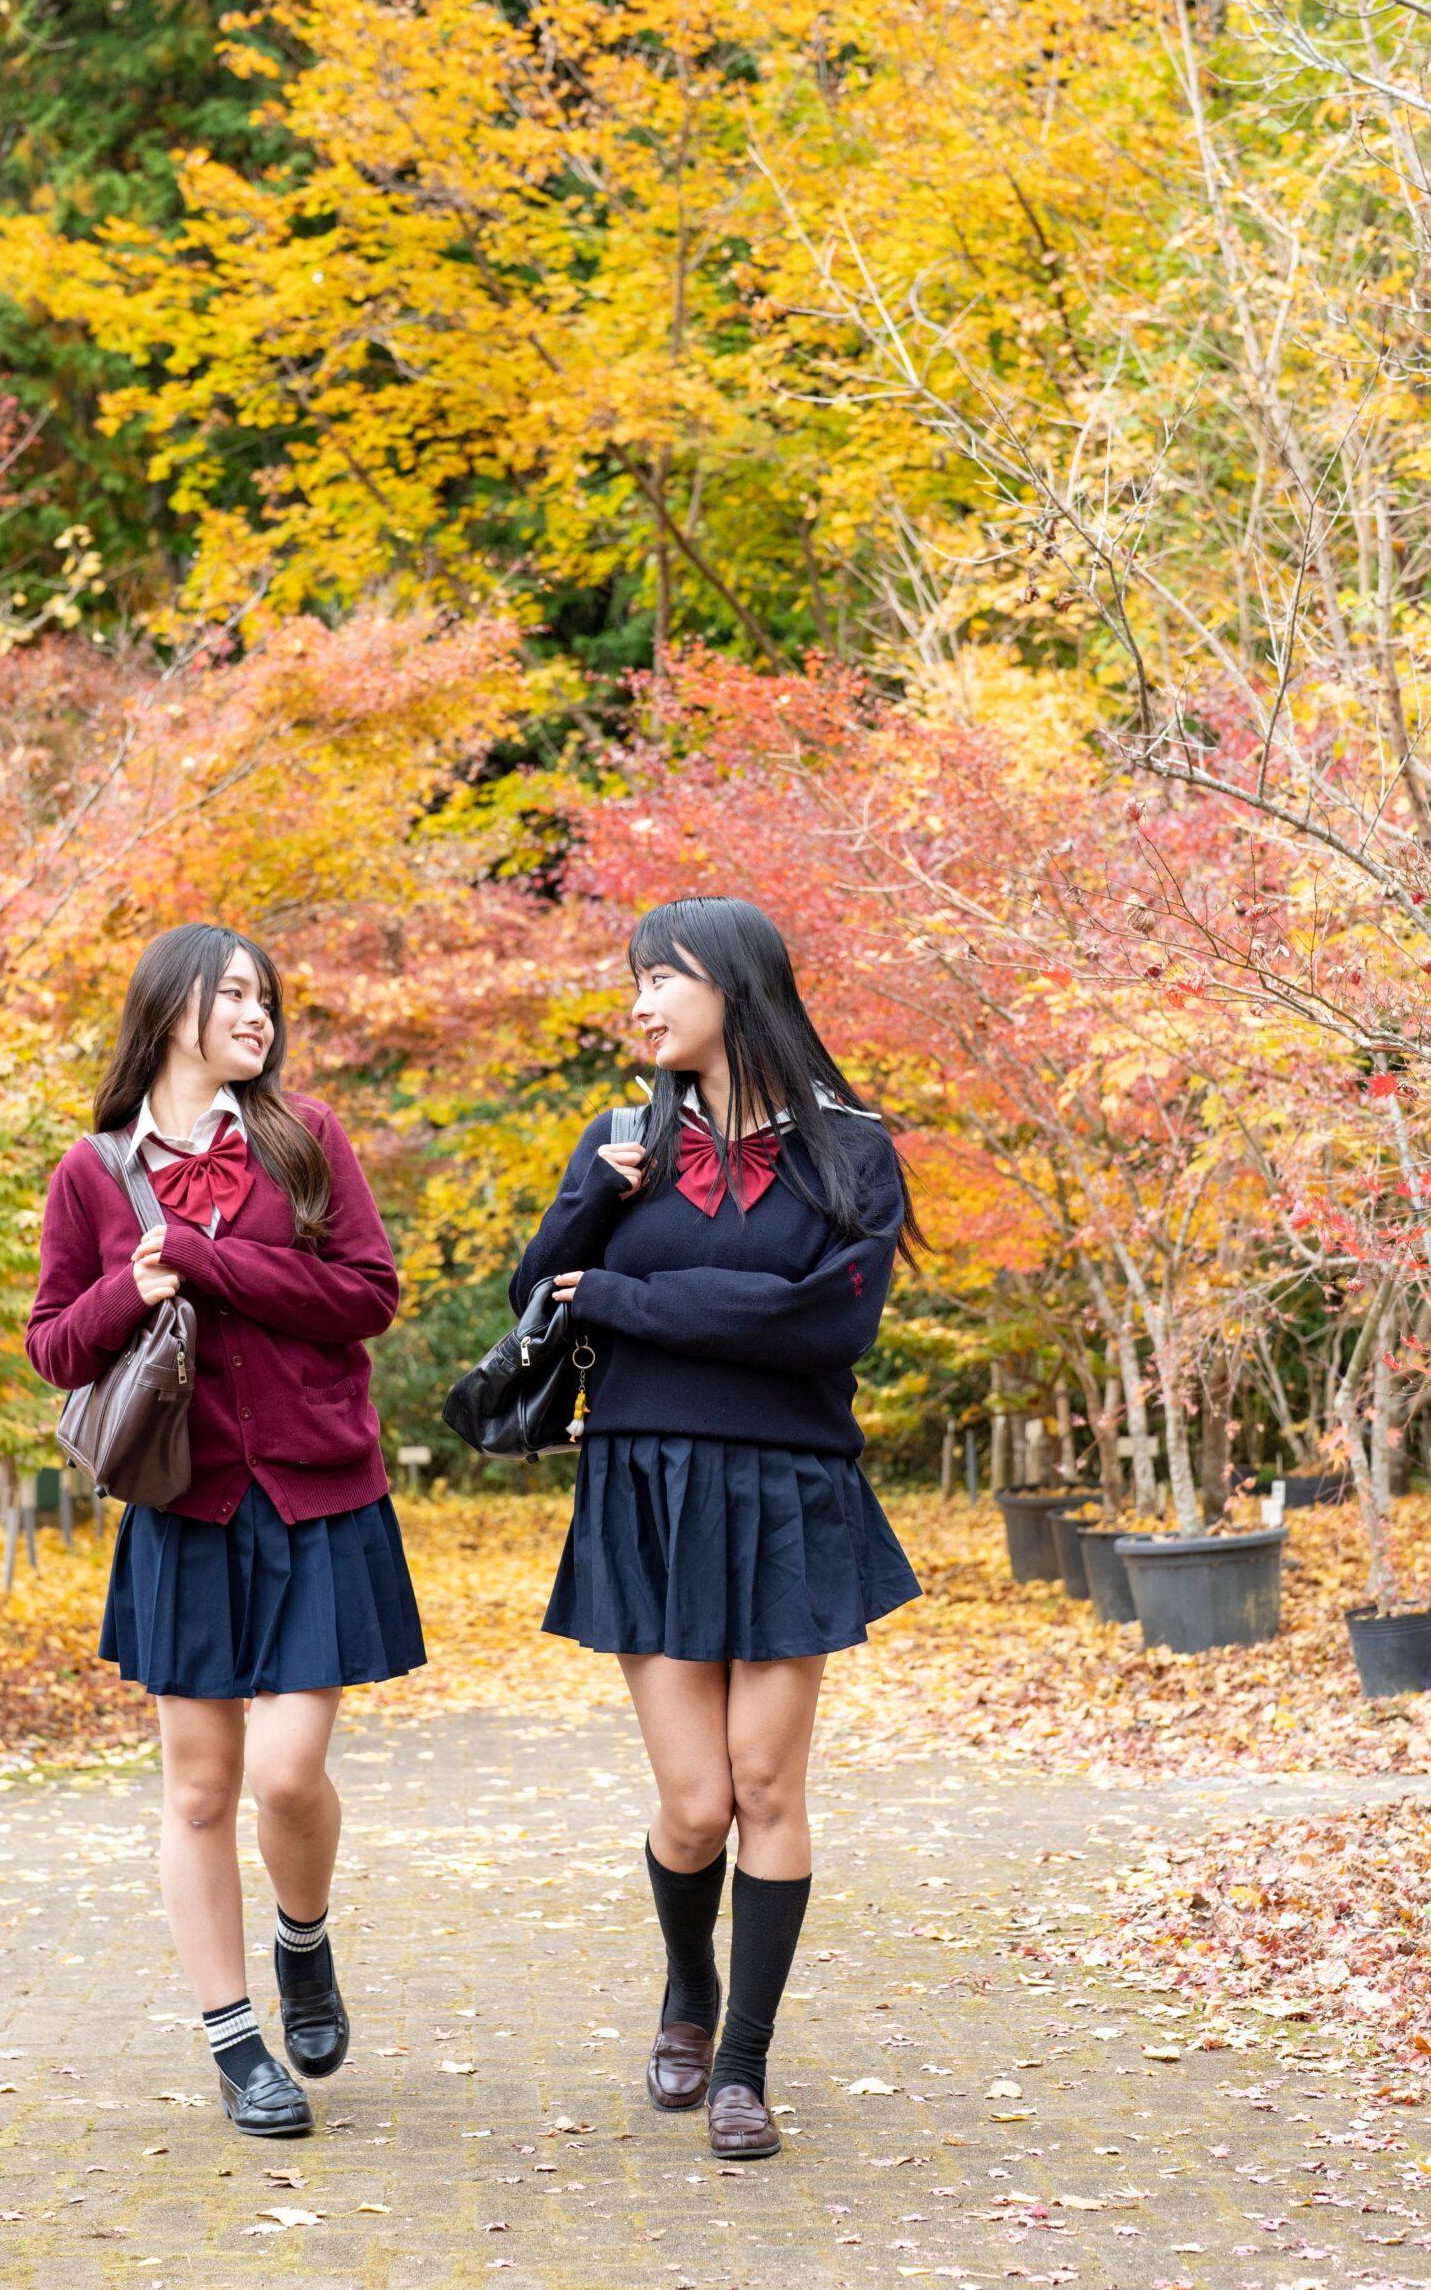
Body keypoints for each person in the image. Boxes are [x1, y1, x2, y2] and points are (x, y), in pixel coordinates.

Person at [512, 895, 922, 2160]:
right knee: (695, 1804)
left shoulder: (852, 1150)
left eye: (660, 977)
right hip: (646, 1481)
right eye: (634, 979)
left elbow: (825, 1322)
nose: (638, 1003)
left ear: (736, 984)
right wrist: (594, 1210)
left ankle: (743, 2065)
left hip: (789, 1485)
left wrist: (634, 1295)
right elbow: (540, 1298)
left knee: (767, 1784)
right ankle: (688, 1989)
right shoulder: (621, 1139)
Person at [26, 923, 424, 2141]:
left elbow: (369, 1294)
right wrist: (128, 1288)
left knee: (287, 1772)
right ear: (171, 1011)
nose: (259, 1015)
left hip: (317, 1494)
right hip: (186, 1511)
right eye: (235, 994)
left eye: (266, 997)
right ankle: (237, 2044)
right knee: (200, 1790)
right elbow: (54, 1343)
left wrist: (213, 1264)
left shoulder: (306, 1139)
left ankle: (304, 1937)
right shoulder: (93, 1172)